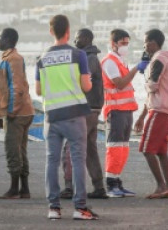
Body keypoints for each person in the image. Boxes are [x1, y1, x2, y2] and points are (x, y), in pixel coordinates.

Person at [36, 14, 99, 221]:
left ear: (51, 31)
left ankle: (54, 208)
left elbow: (38, 90)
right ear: (68, 32)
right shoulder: (78, 55)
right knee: (78, 159)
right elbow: (87, 86)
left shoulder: (42, 58)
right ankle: (80, 208)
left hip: (51, 116)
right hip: (74, 115)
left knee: (51, 161)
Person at [61, 28, 107, 200]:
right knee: (89, 149)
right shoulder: (90, 58)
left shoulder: (88, 59)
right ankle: (98, 187)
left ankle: (69, 187)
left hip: (85, 109)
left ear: (87, 39)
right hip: (93, 109)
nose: (75, 41)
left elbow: (81, 83)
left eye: (78, 38)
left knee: (70, 147)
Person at [100, 29, 147, 197]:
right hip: (115, 110)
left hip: (126, 110)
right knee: (114, 147)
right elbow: (119, 83)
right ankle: (111, 184)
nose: (126, 46)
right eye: (123, 43)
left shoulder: (120, 60)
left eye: (127, 43)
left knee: (123, 148)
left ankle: (117, 181)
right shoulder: (109, 61)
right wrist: (136, 69)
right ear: (113, 44)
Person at [0, 27, 34, 200]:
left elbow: (17, 87)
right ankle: (24, 189)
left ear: (8, 39)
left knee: (12, 150)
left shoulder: (13, 59)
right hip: (23, 111)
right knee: (21, 150)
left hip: (18, 113)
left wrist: (11, 110)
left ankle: (14, 189)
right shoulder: (11, 58)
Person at [138, 29, 168, 199]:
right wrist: (141, 116)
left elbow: (152, 86)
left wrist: (145, 77)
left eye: (145, 42)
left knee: (147, 149)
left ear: (153, 43)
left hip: (159, 109)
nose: (144, 46)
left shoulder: (158, 59)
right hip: (164, 110)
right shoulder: (162, 59)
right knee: (161, 151)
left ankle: (161, 186)